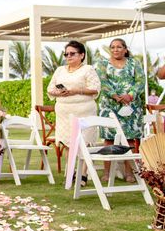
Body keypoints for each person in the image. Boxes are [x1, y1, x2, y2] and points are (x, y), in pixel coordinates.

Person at [47, 40, 101, 186]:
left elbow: (95, 89)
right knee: (67, 141)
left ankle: (83, 174)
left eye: (72, 53)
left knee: (85, 141)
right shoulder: (59, 70)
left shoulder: (88, 69)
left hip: (85, 111)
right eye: (66, 54)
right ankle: (72, 171)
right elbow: (50, 89)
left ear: (82, 55)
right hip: (64, 113)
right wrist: (58, 92)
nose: (68, 56)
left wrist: (77, 91)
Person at [95, 38, 144, 183]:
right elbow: (102, 82)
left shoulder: (134, 63)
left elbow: (141, 81)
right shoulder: (102, 64)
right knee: (109, 140)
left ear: (125, 49)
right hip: (109, 106)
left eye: (119, 47)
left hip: (131, 105)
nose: (115, 49)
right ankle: (107, 173)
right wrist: (116, 96)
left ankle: (129, 173)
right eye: (113, 47)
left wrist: (130, 95)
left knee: (129, 140)